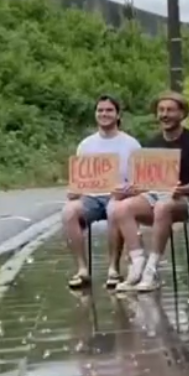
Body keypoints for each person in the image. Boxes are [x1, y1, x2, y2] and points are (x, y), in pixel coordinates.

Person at [108, 91, 189, 293]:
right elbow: (146, 183)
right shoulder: (152, 143)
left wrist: (180, 188)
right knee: (121, 208)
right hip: (156, 196)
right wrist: (129, 190)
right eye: (161, 110)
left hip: (185, 199)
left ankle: (152, 271)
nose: (164, 114)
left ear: (182, 114)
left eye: (170, 110)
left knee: (163, 207)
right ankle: (137, 264)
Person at [63, 94, 141, 290]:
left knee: (116, 209)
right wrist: (74, 190)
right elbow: (79, 180)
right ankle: (82, 270)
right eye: (100, 110)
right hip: (91, 197)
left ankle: (113, 268)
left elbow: (140, 180)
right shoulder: (86, 145)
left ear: (117, 115)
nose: (104, 114)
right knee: (69, 212)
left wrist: (128, 190)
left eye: (109, 110)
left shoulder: (131, 144)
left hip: (119, 196)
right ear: (95, 114)